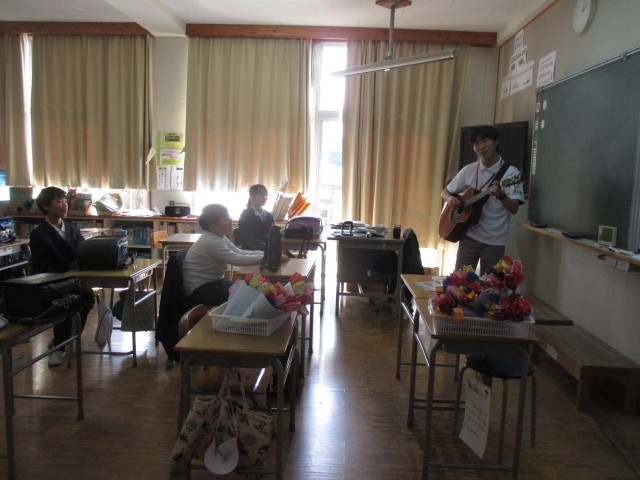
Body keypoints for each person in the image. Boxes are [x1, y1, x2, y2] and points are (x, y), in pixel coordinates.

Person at [441, 125, 524, 274]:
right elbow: (445, 192)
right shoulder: (469, 170)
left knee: (491, 285)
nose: (481, 147)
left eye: (485, 141)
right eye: (476, 143)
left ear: (496, 141)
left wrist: (501, 195)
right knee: (459, 281)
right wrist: (450, 199)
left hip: (495, 241)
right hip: (468, 237)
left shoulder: (511, 174)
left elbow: (514, 209)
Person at [29, 187, 95, 367]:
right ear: (46, 206)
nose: (64, 205)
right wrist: (65, 275)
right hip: (53, 281)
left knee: (88, 298)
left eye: (65, 201)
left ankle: (64, 340)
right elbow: (42, 266)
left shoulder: (72, 228)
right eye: (59, 201)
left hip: (75, 278)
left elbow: (82, 253)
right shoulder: (39, 234)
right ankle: (60, 347)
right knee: (65, 304)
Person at [182, 203, 289, 308]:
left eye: (229, 216)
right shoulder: (210, 241)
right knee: (245, 296)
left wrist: (267, 255)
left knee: (249, 290)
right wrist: (267, 258)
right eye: (225, 219)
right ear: (213, 227)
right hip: (199, 289)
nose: (230, 220)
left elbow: (239, 252)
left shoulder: (219, 236)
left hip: (214, 282)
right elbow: (238, 259)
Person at [237, 184, 274, 251]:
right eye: (260, 194)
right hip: (251, 251)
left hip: (269, 249)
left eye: (266, 194)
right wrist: (269, 250)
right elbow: (250, 240)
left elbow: (272, 235)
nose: (264, 197)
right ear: (252, 197)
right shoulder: (245, 215)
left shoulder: (269, 215)